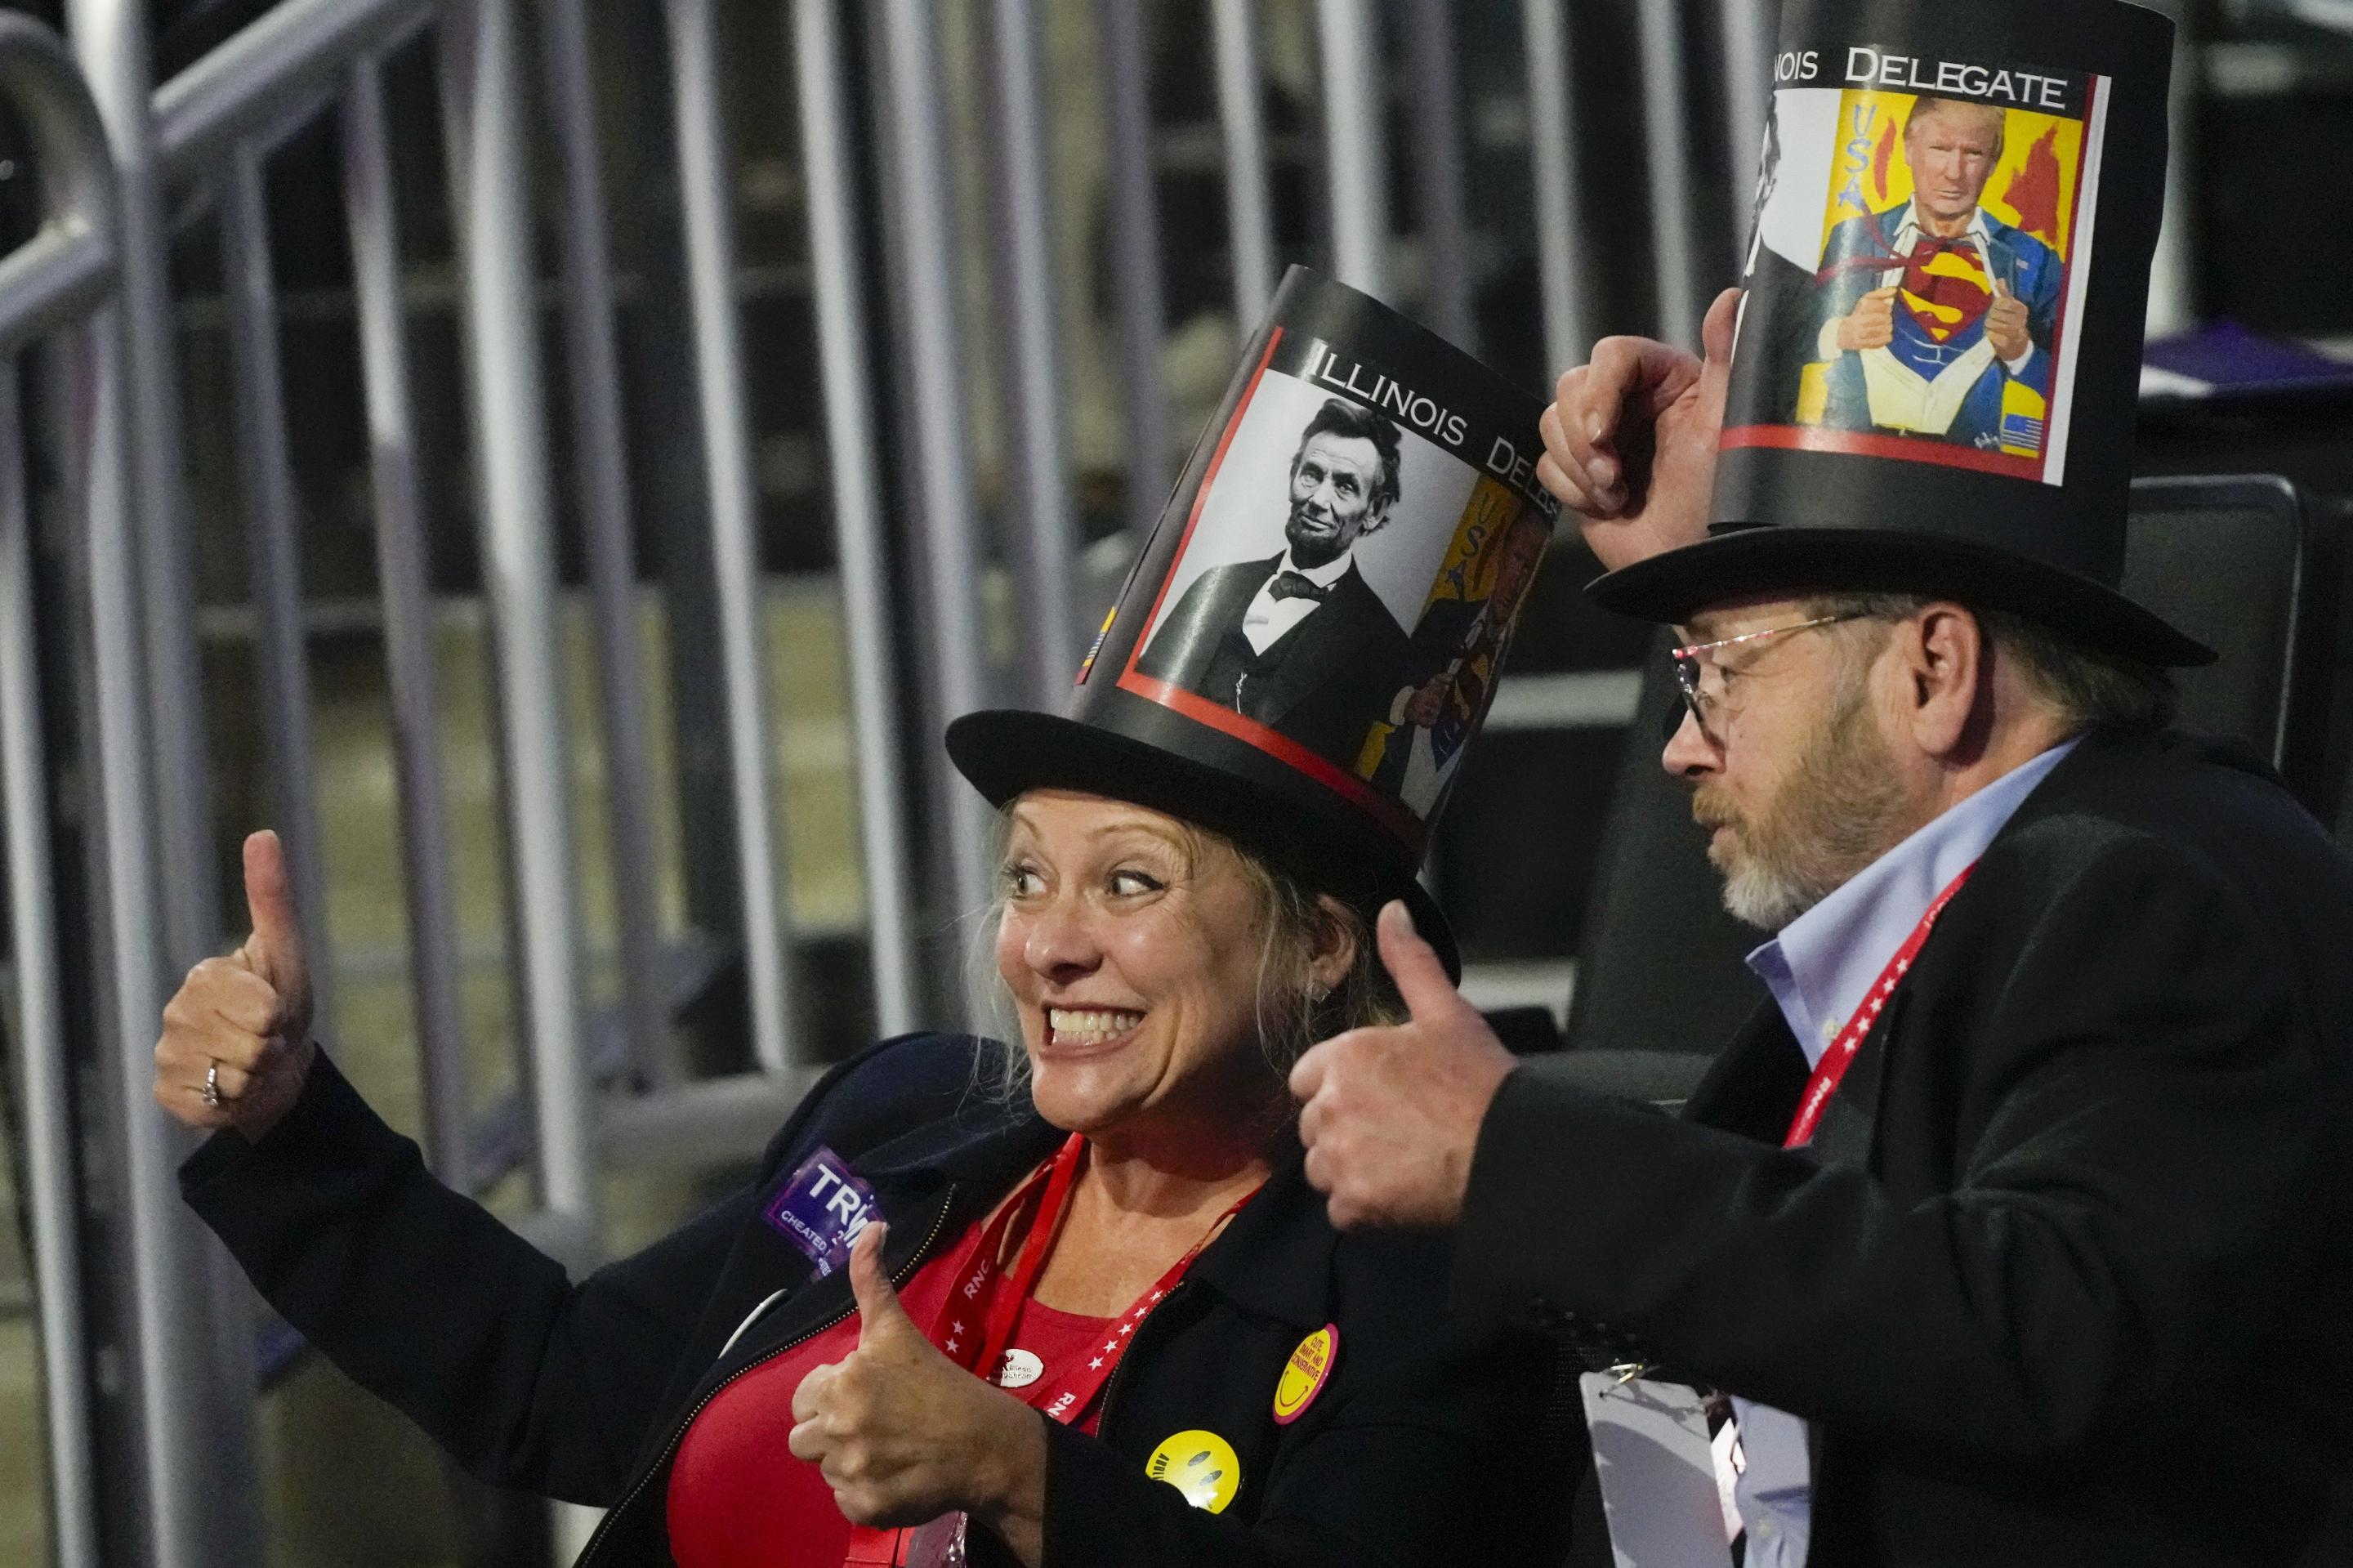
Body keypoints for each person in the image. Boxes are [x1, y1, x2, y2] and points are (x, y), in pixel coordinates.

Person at [155, 387, 1584, 1568]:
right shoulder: (902, 1123)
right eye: (1028, 875)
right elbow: (563, 1384)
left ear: (1324, 939)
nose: (1050, 939)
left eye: (1129, 881)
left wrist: (1025, 1477)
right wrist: (294, 1123)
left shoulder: (1420, 1260)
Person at [1290, 265, 2353, 1565]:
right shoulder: (1975, 903)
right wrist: (1725, 548)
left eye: (1715, 667)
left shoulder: (2154, 884)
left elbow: (2041, 1330)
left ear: (1935, 669)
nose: (1681, 746)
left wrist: (1511, 1148)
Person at [1136, 397, 1417, 767]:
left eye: (1345, 486)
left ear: (1374, 511)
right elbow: (1141, 703)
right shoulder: (1217, 583)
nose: (1318, 499)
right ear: (1292, 477)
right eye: (1312, 474)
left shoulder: (1384, 640)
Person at [1808, 95, 2061, 448]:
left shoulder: (2036, 261)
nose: (1954, 173)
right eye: (1940, 148)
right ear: (1909, 150)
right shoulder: (1854, 239)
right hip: (1852, 461)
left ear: (1992, 163)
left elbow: (2081, 395)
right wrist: (1840, 332)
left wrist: (2022, 352)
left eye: (1973, 153)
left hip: (1973, 472)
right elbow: (1782, 344)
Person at [1369, 512, 1551, 815]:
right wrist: (1410, 702)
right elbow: (1373, 680)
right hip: (1377, 798)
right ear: (1500, 555)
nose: (1518, 578)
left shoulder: (1522, 659)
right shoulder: (1446, 618)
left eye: (1529, 568)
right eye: (1517, 559)